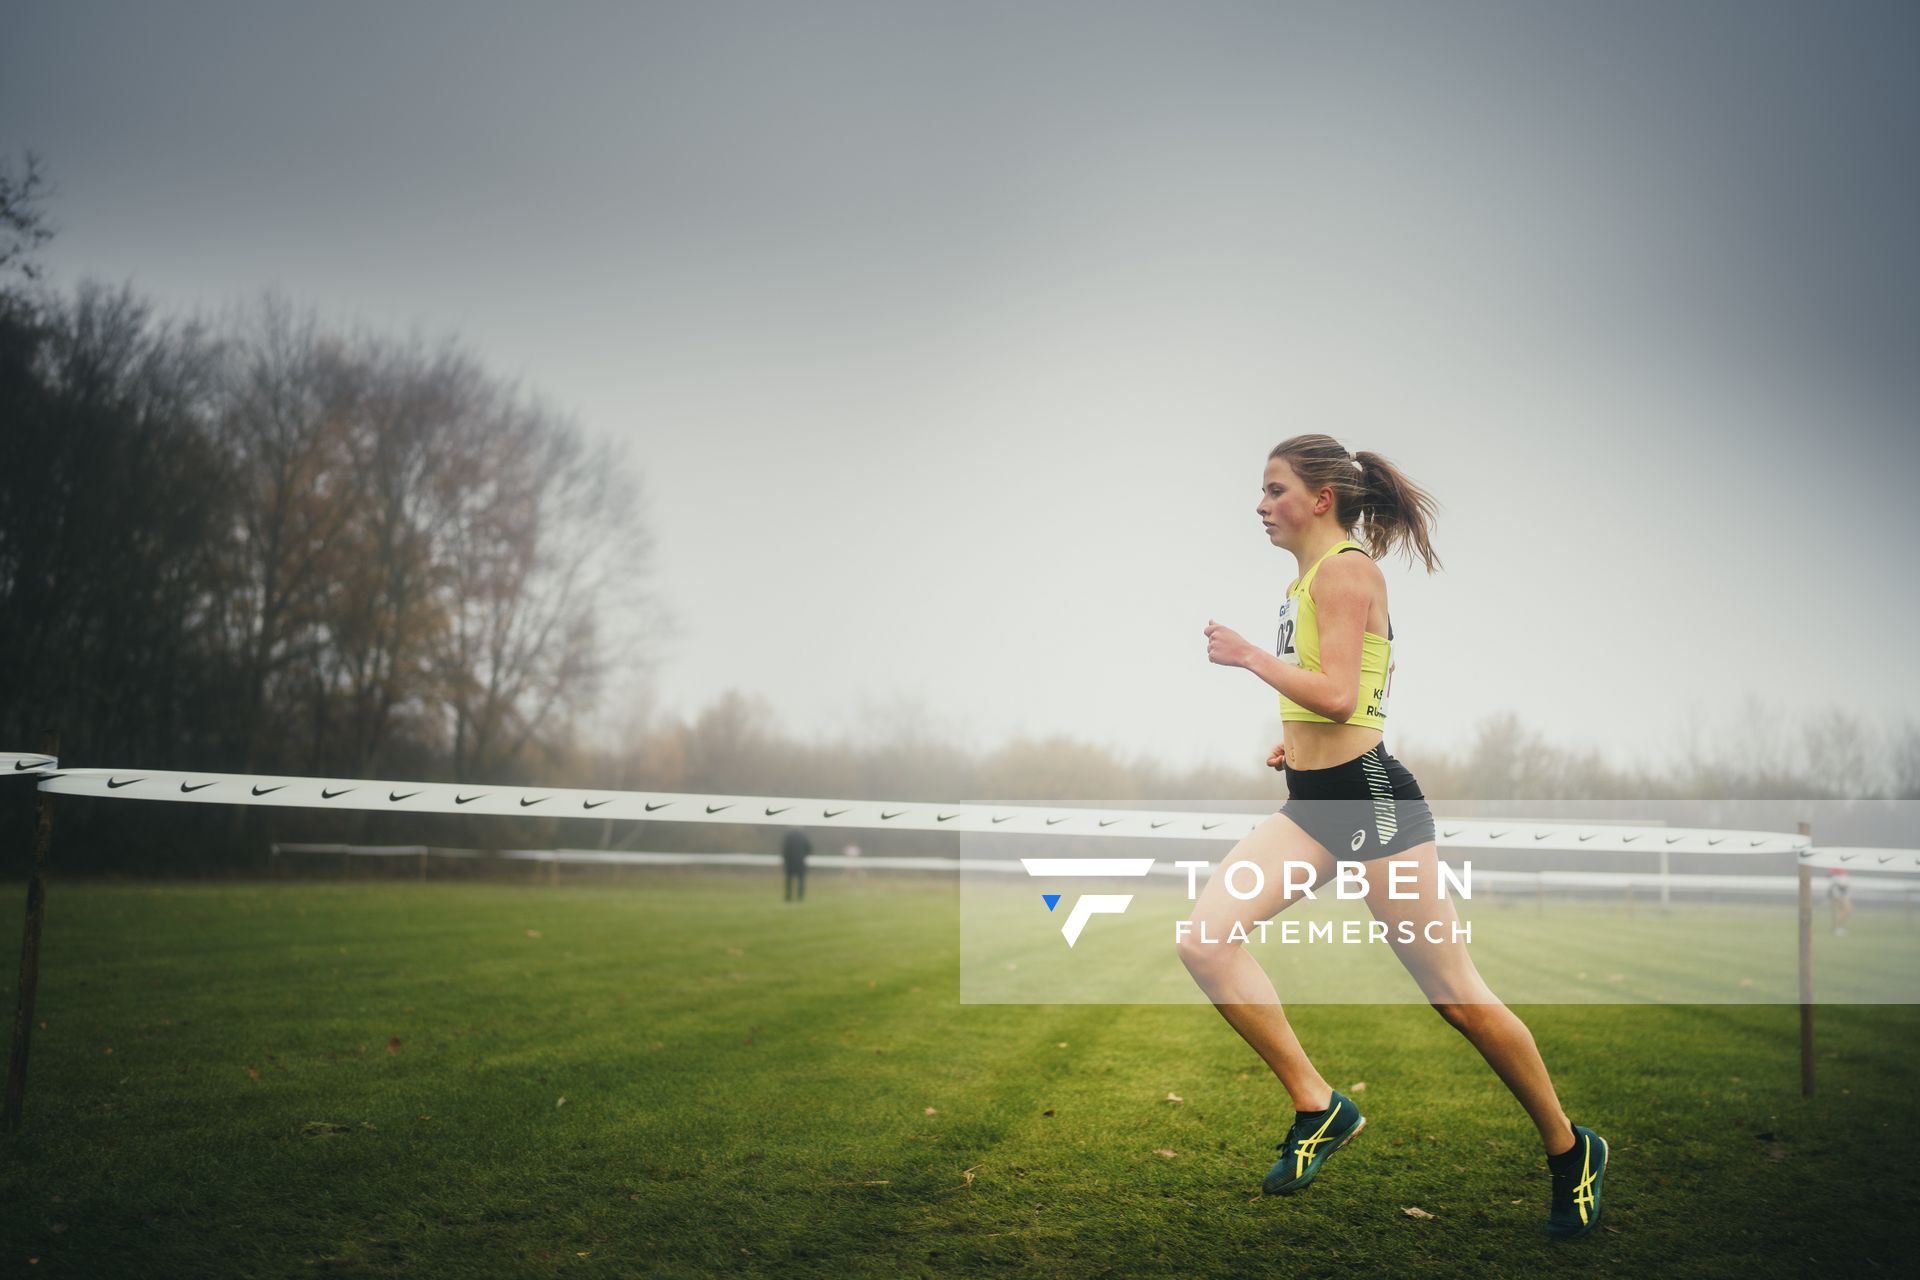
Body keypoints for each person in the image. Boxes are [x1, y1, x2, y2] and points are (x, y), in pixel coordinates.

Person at [1190, 434, 1607, 1239]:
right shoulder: (1307, 578)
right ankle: (1320, 1105)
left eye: (1275, 489)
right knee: (1207, 943)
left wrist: (1247, 657)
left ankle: (1570, 1149)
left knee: (1457, 998)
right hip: (1314, 801)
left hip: (1373, 806)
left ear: (1321, 499)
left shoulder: (1347, 569)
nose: (1260, 504)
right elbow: (1354, 691)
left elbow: (1343, 696)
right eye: (1261, 490)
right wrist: (1296, 741)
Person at [781, 828, 811, 902]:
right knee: (801, 880)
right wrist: (804, 855)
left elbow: (784, 850)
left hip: (790, 862)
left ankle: (788, 897)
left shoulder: (788, 837)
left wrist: (786, 860)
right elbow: (809, 848)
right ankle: (800, 897)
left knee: (789, 881)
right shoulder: (803, 836)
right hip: (800, 862)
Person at [1828, 867, 1852, 936]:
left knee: (1842, 910)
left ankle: (1838, 928)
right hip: (1840, 892)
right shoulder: (1837, 874)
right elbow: (1837, 882)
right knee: (1847, 909)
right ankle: (1837, 928)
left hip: (1840, 891)